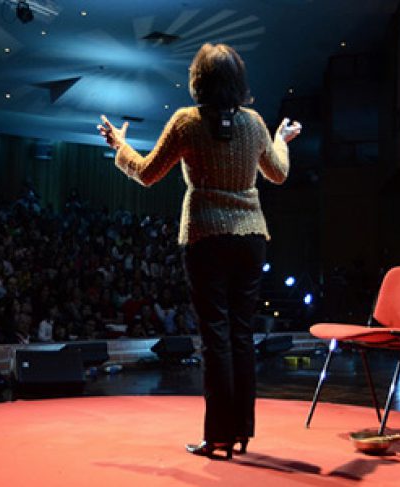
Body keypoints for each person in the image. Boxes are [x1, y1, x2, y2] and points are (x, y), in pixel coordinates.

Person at [98, 43, 301, 460]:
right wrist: (280, 140)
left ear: (198, 81)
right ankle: (241, 432)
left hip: (206, 237)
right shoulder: (255, 123)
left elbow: (147, 173)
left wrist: (119, 146)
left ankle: (218, 437)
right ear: (238, 81)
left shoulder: (187, 123)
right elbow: (277, 173)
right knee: (242, 335)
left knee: (216, 338)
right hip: (250, 239)